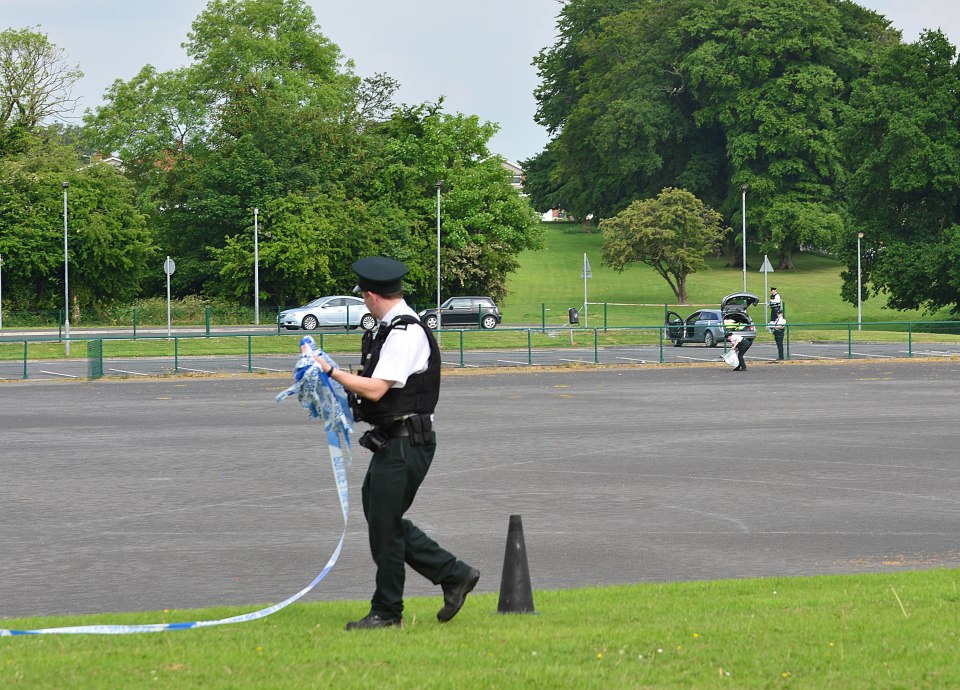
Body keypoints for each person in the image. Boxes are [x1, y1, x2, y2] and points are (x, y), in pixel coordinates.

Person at [307, 256, 479, 630]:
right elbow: (372, 395)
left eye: (362, 297)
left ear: (370, 295)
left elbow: (377, 387)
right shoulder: (389, 330)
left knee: (385, 525)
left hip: (407, 443)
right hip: (393, 442)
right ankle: (453, 575)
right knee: (383, 521)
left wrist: (331, 371)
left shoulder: (404, 332)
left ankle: (388, 611)